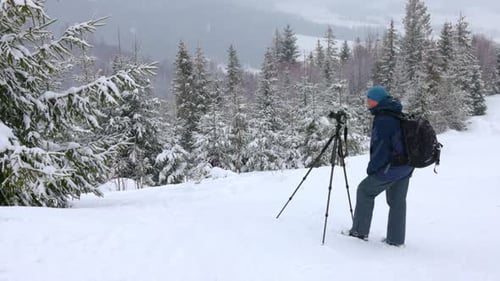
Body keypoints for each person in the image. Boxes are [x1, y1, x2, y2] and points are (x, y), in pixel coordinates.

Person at [346, 86, 414, 246]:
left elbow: (381, 148)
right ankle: (396, 239)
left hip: (393, 167)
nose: (367, 102)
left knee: (364, 191)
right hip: (407, 165)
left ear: (376, 100)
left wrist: (372, 170)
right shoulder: (395, 113)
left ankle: (359, 232)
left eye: (369, 99)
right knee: (397, 201)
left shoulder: (384, 119)